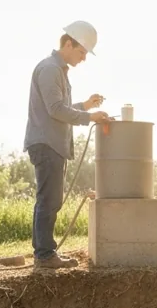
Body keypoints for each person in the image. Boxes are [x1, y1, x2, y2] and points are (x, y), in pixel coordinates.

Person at [24, 21, 110, 269]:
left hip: (51, 144)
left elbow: (61, 107)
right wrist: (89, 117)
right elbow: (55, 110)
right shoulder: (50, 69)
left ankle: (43, 253)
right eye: (82, 52)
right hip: (47, 143)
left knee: (49, 200)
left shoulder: (57, 70)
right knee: (48, 200)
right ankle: (44, 255)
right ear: (68, 44)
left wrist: (85, 106)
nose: (83, 58)